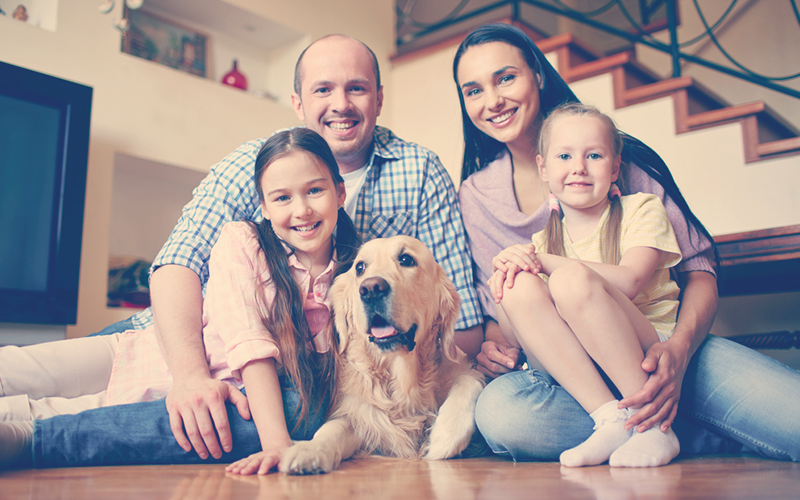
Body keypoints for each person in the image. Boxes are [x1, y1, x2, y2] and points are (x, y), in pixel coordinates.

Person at [9, 34, 482, 469]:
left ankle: (27, 436)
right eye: (323, 90)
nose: (340, 104)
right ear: (298, 102)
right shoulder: (257, 170)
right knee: (29, 373)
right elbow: (179, 265)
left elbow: (455, 313)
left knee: (296, 405)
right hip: (178, 336)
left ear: (379, 97)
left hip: (285, 373)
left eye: (357, 88)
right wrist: (191, 375)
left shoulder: (418, 173)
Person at [454, 23, 800, 462]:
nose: (493, 100)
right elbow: (506, 313)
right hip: (575, 378)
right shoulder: (476, 196)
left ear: (538, 76)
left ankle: (670, 426)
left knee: (793, 419)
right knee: (503, 414)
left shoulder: (615, 157)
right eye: (473, 90)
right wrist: (495, 343)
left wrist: (677, 351)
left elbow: (699, 272)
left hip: (660, 349)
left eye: (506, 77)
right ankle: (664, 429)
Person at [0, 128, 359, 472]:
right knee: (18, 369)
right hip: (149, 352)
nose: (302, 210)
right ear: (263, 206)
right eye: (282, 197)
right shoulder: (243, 241)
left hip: (188, 402)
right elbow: (249, 343)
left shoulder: (353, 277)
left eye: (315, 191)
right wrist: (277, 445)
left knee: (37, 415)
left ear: (340, 194)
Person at [489, 103, 682, 467]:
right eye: (564, 156)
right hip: (586, 363)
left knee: (570, 279)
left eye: (593, 155)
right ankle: (609, 419)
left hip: (648, 349)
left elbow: (630, 281)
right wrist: (505, 276)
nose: (578, 167)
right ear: (543, 168)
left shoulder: (642, 208)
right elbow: (515, 337)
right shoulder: (542, 241)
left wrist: (544, 262)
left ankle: (654, 428)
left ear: (615, 167)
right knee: (519, 283)